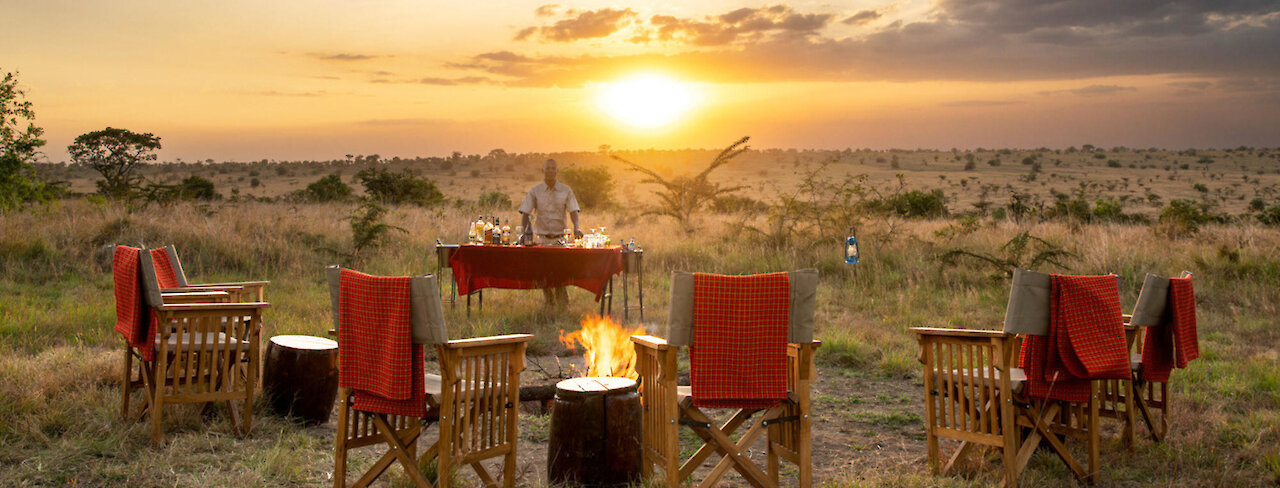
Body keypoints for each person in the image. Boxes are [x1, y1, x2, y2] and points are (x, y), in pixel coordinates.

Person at [519, 159, 583, 309]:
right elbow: (525, 212)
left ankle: (563, 306)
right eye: (547, 168)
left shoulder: (566, 190)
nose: (550, 171)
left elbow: (573, 210)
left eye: (553, 168)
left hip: (560, 238)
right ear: (543, 171)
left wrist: (577, 228)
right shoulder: (535, 191)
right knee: (543, 273)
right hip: (542, 239)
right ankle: (549, 304)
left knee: (560, 272)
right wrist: (523, 233)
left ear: (557, 171)